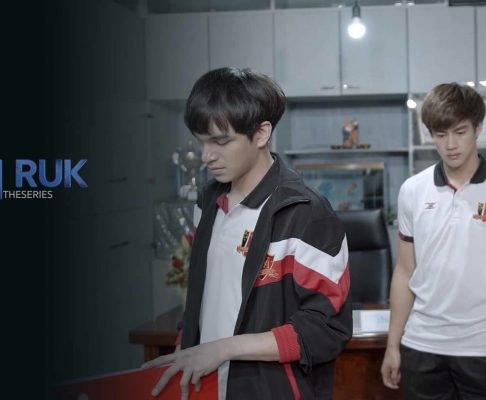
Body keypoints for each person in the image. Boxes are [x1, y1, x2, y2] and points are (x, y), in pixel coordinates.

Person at [143, 67, 352, 399]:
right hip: (205, 387)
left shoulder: (305, 214)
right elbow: (203, 295)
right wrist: (188, 345)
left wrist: (224, 348)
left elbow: (326, 329)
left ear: (261, 133)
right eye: (201, 141)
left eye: (221, 141)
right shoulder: (207, 203)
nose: (206, 155)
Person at [380, 83, 486, 399]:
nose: (450, 145)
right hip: (422, 344)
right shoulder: (412, 190)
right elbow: (405, 271)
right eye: (440, 135)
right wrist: (392, 345)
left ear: (478, 128)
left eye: (460, 132)